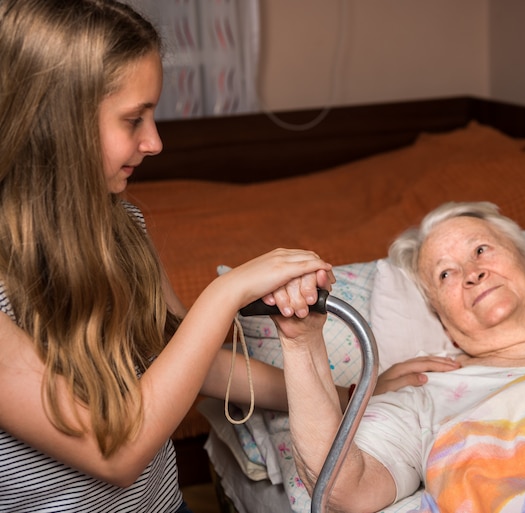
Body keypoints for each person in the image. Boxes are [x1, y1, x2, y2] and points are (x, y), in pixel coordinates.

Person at [0, 2, 337, 512]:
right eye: (133, 119)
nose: (154, 141)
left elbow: (186, 361)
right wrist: (225, 294)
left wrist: (344, 392)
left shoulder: (122, 227)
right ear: (53, 124)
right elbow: (115, 454)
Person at [271, 201, 525, 512]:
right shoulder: (425, 393)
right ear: (441, 316)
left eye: (482, 250)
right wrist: (302, 343)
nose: (472, 274)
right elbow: (343, 490)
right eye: (446, 273)